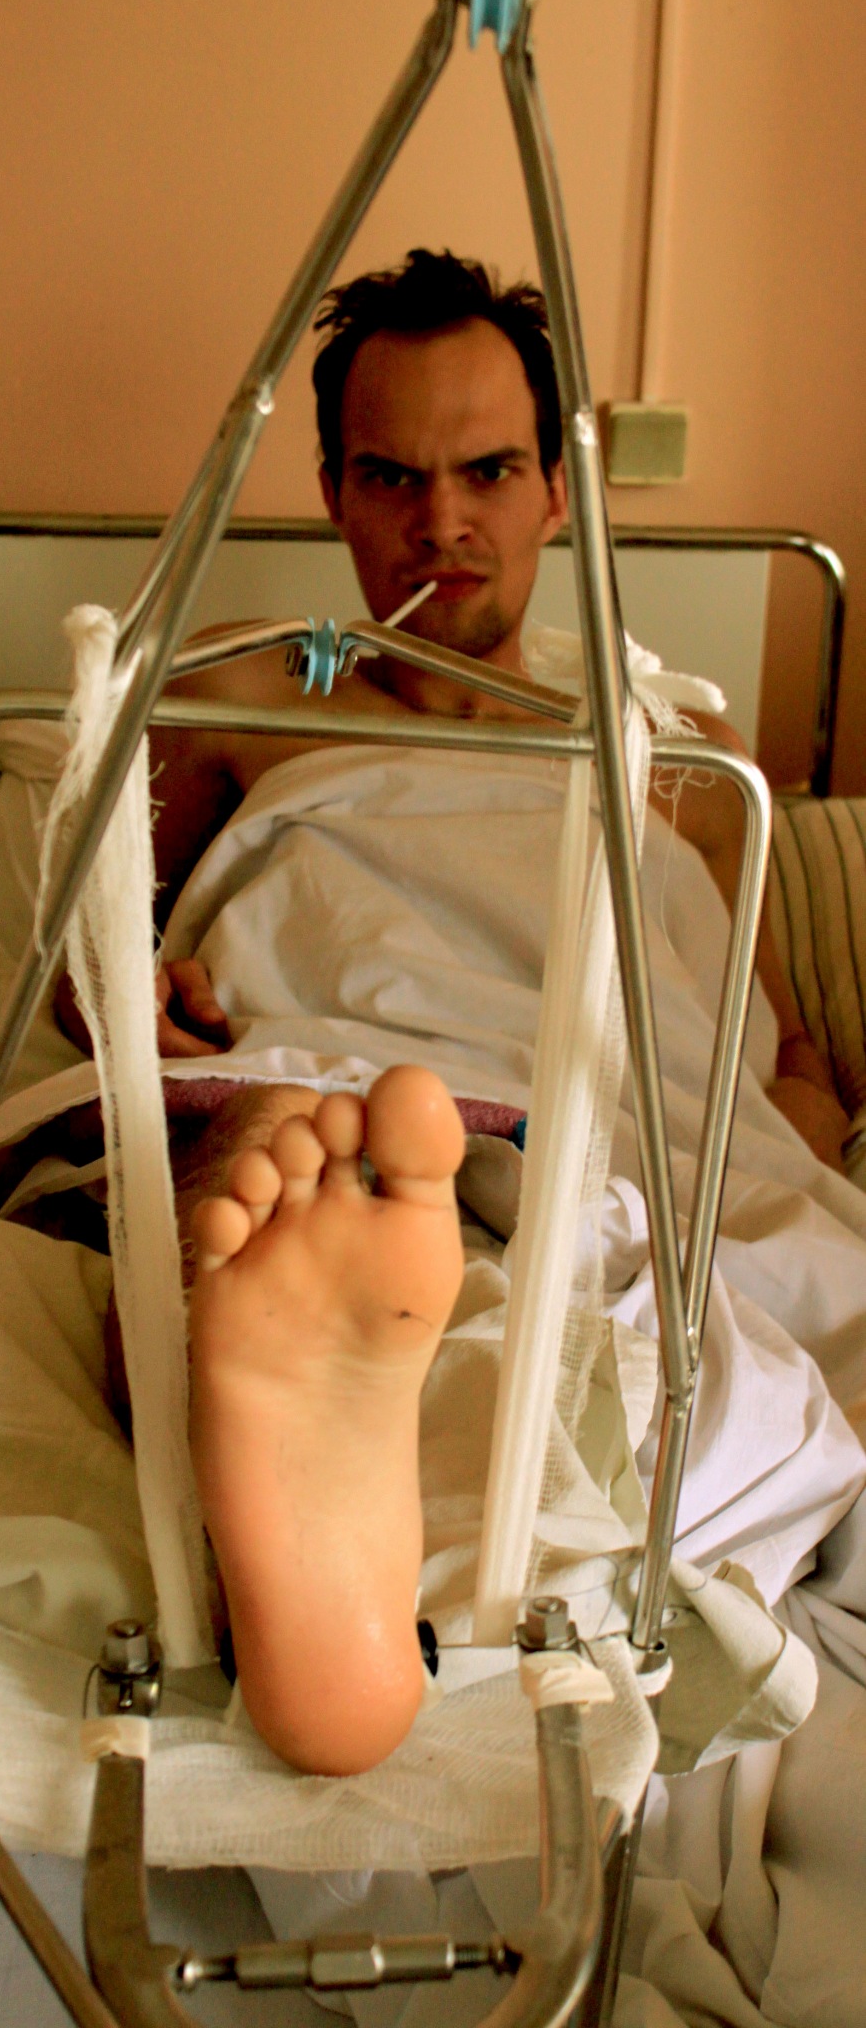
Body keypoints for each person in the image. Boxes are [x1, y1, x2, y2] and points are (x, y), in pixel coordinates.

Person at [56, 249, 850, 1774]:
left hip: (621, 1110)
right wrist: (140, 992)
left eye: (488, 470)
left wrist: (783, 1127)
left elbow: (759, 1028)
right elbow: (84, 944)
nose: (441, 522)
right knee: (263, 1153)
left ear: (557, 490)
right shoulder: (232, 706)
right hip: (333, 1054)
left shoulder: (674, 744)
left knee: (682, 1270)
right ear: (334, 495)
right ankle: (287, 1385)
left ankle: (334, 1557)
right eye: (392, 476)